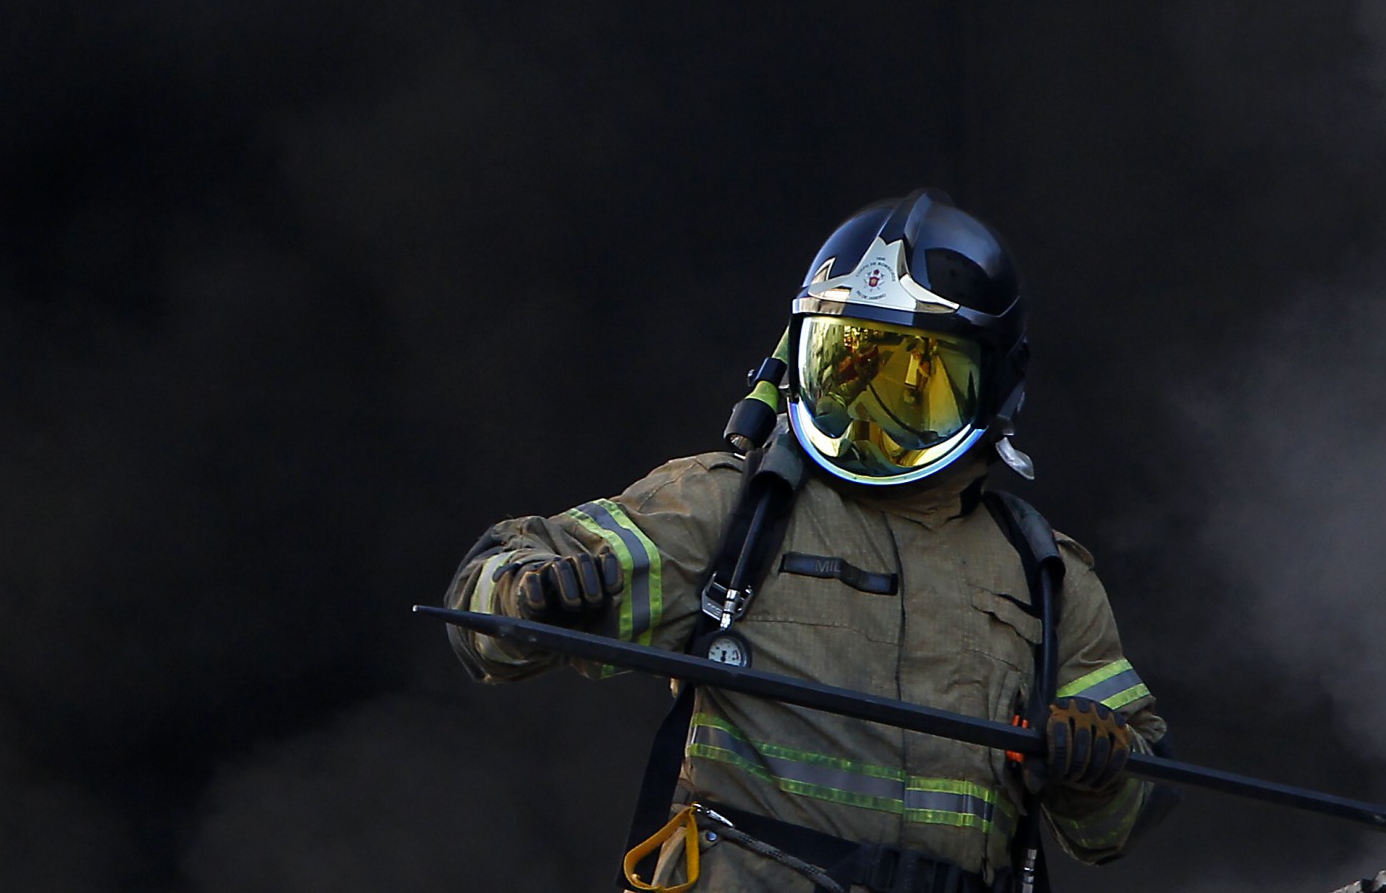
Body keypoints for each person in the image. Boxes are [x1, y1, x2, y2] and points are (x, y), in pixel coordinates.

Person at [443, 191, 1175, 892]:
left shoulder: (1045, 578)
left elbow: (1118, 825)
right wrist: (527, 594)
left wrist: (1100, 767)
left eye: (914, 387)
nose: (866, 422)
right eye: (846, 370)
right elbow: (487, 610)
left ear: (995, 386)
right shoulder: (735, 509)